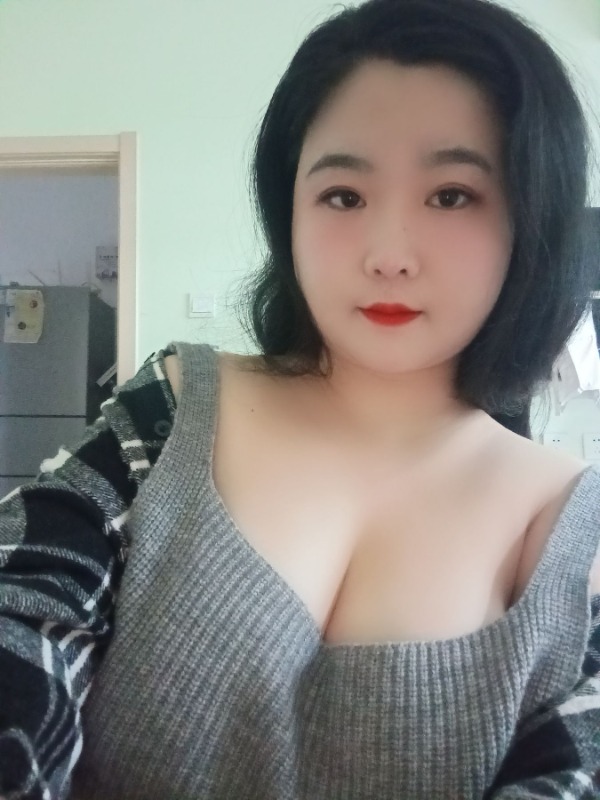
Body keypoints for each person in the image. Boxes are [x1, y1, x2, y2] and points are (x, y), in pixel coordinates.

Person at [1, 0, 600, 797]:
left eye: (452, 195)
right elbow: (23, 614)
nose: (388, 255)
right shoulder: (172, 408)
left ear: (531, 216)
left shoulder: (574, 535)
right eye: (344, 196)